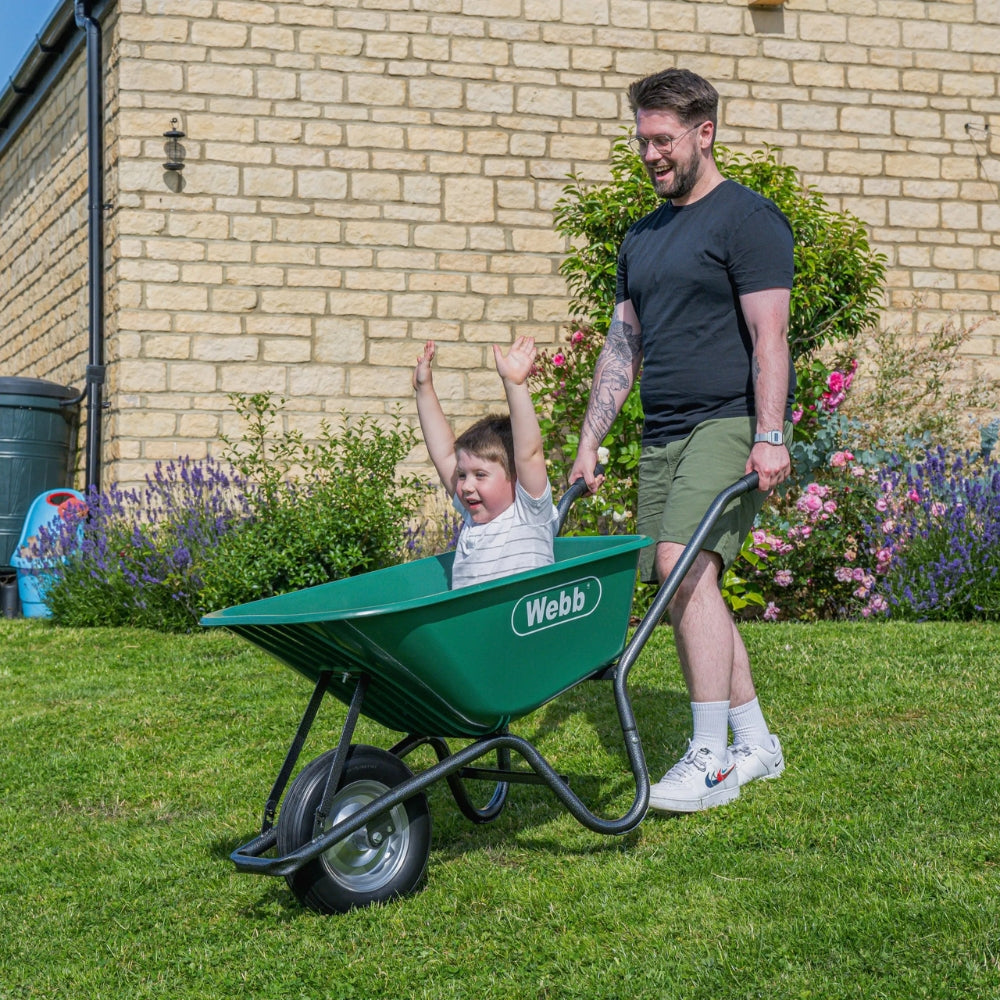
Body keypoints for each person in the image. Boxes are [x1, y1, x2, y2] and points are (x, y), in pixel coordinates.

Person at [569, 67, 796, 813]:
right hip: (663, 430)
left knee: (682, 564)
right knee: (680, 586)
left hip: (727, 419)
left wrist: (769, 434)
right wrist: (590, 440)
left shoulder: (747, 219)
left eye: (663, 140)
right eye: (642, 140)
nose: (650, 154)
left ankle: (710, 758)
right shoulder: (641, 237)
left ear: (705, 132)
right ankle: (755, 741)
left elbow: (770, 336)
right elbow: (622, 346)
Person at [413, 336, 558, 589]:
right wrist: (423, 389)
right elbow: (444, 455)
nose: (467, 486)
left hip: (521, 614)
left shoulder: (529, 514)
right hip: (476, 616)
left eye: (480, 475)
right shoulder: (472, 516)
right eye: (462, 475)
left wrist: (515, 384)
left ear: (515, 477)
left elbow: (530, 453)